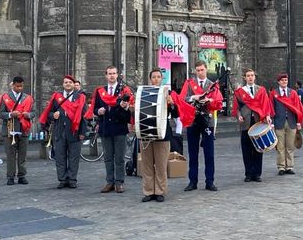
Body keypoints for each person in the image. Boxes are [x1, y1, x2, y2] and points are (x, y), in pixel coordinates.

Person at [85, 66, 133, 194]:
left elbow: (130, 111)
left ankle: (119, 182)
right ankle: (110, 182)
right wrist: (98, 111)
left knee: (120, 157)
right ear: (106, 76)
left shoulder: (124, 91)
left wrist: (125, 107)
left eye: (114, 73)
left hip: (120, 128)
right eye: (109, 74)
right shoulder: (100, 91)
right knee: (107, 157)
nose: (111, 76)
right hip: (106, 127)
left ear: (117, 75)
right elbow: (94, 108)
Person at [181, 60, 223, 192]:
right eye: (198, 70)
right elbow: (182, 99)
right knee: (193, 152)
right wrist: (194, 97)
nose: (200, 72)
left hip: (207, 121)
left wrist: (209, 100)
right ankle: (192, 181)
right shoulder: (189, 84)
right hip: (192, 120)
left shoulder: (212, 85)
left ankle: (209, 181)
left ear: (206, 70)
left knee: (209, 153)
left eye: (202, 70)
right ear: (195, 71)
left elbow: (218, 102)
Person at [39, 75, 88, 188]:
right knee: (60, 157)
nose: (68, 84)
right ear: (63, 84)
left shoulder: (80, 97)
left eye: (70, 82)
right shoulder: (57, 97)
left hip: (74, 131)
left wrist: (82, 132)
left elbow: (83, 116)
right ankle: (62, 179)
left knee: (73, 157)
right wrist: (53, 115)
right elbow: (49, 113)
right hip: (59, 131)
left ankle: (72, 179)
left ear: (74, 84)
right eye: (65, 82)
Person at [140, 68, 180, 202]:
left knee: (161, 164)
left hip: (162, 132)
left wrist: (172, 104)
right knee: (147, 164)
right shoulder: (143, 92)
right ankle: (148, 191)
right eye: (154, 77)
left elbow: (176, 114)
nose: (156, 79)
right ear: (150, 79)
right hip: (146, 131)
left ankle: (160, 191)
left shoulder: (168, 93)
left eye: (158, 77)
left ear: (162, 79)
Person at [232, 68, 274, 182]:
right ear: (245, 78)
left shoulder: (261, 90)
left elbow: (266, 105)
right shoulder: (240, 92)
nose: (250, 77)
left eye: (252, 75)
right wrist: (238, 115)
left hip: (258, 122)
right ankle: (248, 174)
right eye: (248, 75)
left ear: (255, 77)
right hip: (245, 123)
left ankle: (257, 173)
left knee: (258, 148)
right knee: (246, 149)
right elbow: (237, 107)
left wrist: (268, 116)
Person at [0, 77, 34, 185]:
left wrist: (28, 115)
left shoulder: (27, 98)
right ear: (13, 85)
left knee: (22, 155)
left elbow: (33, 112)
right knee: (10, 155)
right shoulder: (5, 97)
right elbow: (0, 113)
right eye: (17, 86)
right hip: (9, 130)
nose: (20, 88)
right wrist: (10, 114)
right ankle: (10, 177)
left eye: (21, 86)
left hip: (24, 129)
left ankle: (22, 176)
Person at [271, 73, 303, 175]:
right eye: (282, 80)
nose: (284, 82)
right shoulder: (273, 93)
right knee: (280, 146)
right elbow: (271, 108)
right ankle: (281, 167)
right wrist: (272, 123)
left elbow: (298, 108)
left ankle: (289, 166)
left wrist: (299, 122)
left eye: (285, 80)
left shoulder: (293, 93)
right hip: (278, 122)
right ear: (278, 82)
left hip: (291, 122)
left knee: (290, 145)